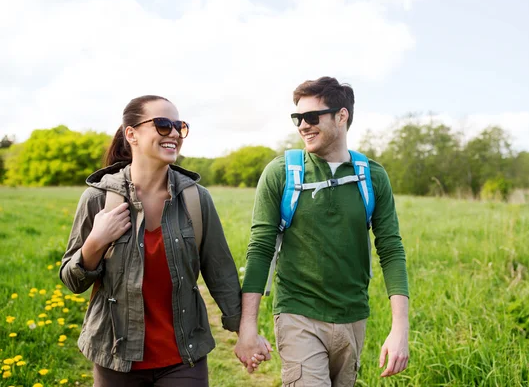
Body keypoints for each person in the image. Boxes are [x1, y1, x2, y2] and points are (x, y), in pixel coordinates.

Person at [60, 95, 255, 386]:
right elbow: (72, 280)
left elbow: (220, 271)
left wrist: (245, 333)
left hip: (183, 356)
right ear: (132, 134)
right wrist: (95, 242)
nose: (174, 133)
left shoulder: (195, 198)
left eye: (179, 126)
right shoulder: (99, 199)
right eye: (163, 125)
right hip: (116, 357)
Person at [235, 77, 410, 386]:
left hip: (353, 317)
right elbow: (260, 249)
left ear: (341, 116)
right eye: (297, 118)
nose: (302, 125)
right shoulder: (281, 173)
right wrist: (247, 328)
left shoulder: (372, 178)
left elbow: (392, 251)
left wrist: (400, 330)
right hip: (297, 313)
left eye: (312, 117)